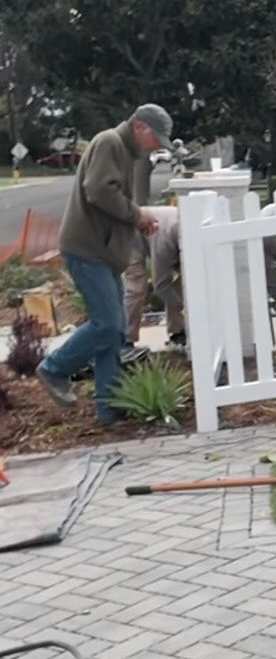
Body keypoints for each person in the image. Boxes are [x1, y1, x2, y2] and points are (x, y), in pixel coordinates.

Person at [36, 104, 172, 422]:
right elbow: (98, 190)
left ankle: (109, 408)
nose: (156, 146)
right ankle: (55, 369)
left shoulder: (124, 150)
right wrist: (137, 214)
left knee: (114, 331)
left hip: (103, 253)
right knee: (108, 324)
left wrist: (137, 220)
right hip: (87, 250)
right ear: (139, 127)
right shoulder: (110, 142)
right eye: (156, 138)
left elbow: (111, 197)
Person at [124, 205, 185, 348]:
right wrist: (185, 309)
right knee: (136, 286)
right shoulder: (164, 241)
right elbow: (161, 286)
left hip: (167, 233)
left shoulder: (193, 231)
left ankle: (177, 331)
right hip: (133, 233)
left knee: (185, 282)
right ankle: (125, 339)